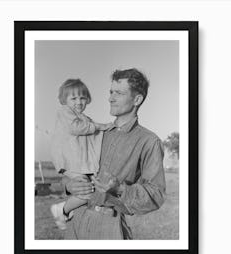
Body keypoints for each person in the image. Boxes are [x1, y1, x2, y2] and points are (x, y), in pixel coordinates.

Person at [60, 68, 166, 239]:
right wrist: (68, 185)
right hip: (75, 222)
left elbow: (156, 195)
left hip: (110, 227)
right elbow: (71, 167)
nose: (110, 98)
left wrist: (120, 188)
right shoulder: (95, 131)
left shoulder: (149, 141)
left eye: (118, 93)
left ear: (137, 99)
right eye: (110, 92)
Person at [50, 78, 112, 229]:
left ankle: (94, 207)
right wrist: (101, 126)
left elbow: (93, 140)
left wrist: (107, 130)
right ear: (64, 100)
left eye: (82, 97)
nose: (79, 101)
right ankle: (62, 209)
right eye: (74, 98)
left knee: (97, 186)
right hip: (70, 160)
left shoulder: (85, 118)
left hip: (82, 162)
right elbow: (77, 128)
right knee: (85, 189)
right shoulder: (64, 112)